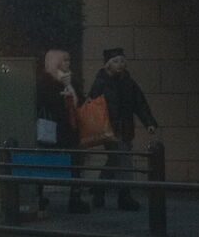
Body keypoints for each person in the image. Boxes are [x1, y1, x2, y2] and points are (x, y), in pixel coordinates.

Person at [85, 47, 159, 211]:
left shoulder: (129, 82)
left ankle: (99, 188)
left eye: (122, 61)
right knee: (124, 160)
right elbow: (92, 101)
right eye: (116, 61)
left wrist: (149, 123)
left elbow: (139, 104)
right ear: (108, 64)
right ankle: (125, 196)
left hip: (125, 128)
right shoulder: (101, 81)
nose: (120, 64)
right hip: (109, 129)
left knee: (114, 161)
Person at [35, 49, 89, 215]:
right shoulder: (46, 82)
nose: (68, 64)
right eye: (64, 60)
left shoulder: (71, 80)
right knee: (43, 164)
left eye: (68, 60)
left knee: (75, 164)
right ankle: (39, 197)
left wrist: (69, 88)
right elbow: (48, 103)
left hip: (70, 128)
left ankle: (75, 198)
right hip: (53, 129)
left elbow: (80, 102)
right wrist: (65, 91)